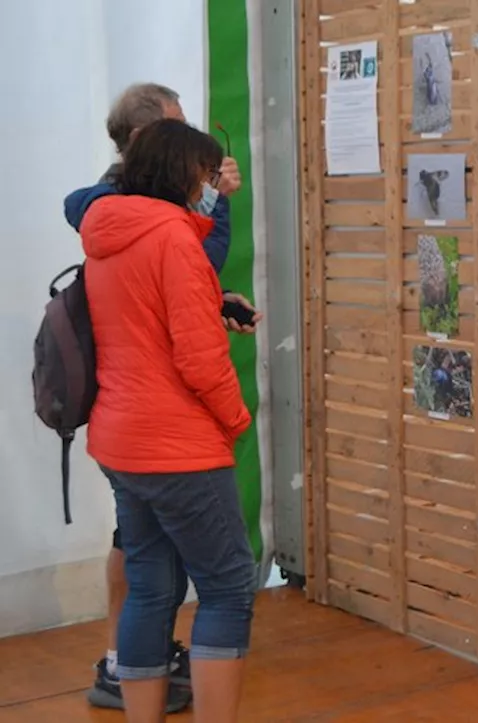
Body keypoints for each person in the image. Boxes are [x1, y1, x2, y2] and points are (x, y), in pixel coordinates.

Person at [72, 83, 260, 713]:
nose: (213, 183)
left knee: (151, 588)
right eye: (206, 173)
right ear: (182, 171)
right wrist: (235, 420)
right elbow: (200, 360)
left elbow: (141, 320)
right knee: (228, 587)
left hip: (120, 439)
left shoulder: (104, 232)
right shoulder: (175, 239)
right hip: (178, 444)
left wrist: (211, 299)